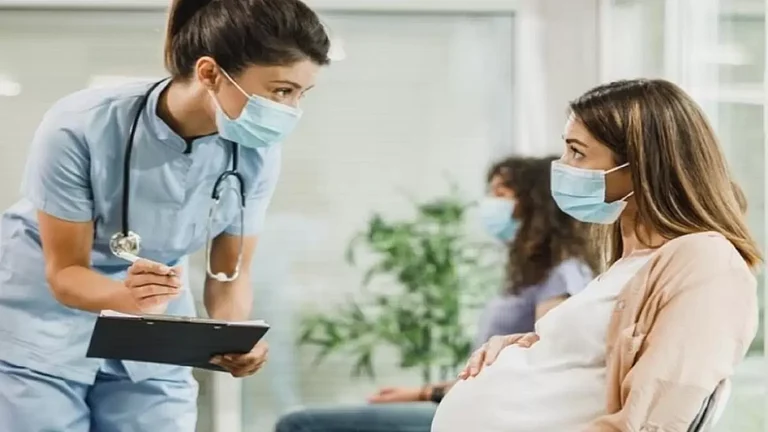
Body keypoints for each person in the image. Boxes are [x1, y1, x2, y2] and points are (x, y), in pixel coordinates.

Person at [0, 0, 330, 430]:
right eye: (280, 91)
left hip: (154, 325)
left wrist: (235, 337)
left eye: (301, 94)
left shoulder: (256, 151)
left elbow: (229, 275)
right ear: (210, 73)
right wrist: (128, 299)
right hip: (42, 323)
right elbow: (65, 272)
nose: (290, 110)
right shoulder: (81, 125)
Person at [431, 79, 762, 432]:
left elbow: (653, 418)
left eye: (577, 152)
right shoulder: (629, 263)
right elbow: (593, 357)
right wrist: (515, 348)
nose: (562, 166)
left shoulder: (707, 263)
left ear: (640, 165)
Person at [275, 156, 600, 432]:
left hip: (490, 416)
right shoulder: (531, 275)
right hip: (470, 403)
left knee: (300, 424)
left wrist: (430, 394)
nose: (489, 203)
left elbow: (540, 364)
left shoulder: (564, 273)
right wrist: (424, 392)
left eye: (501, 192)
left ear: (534, 203)